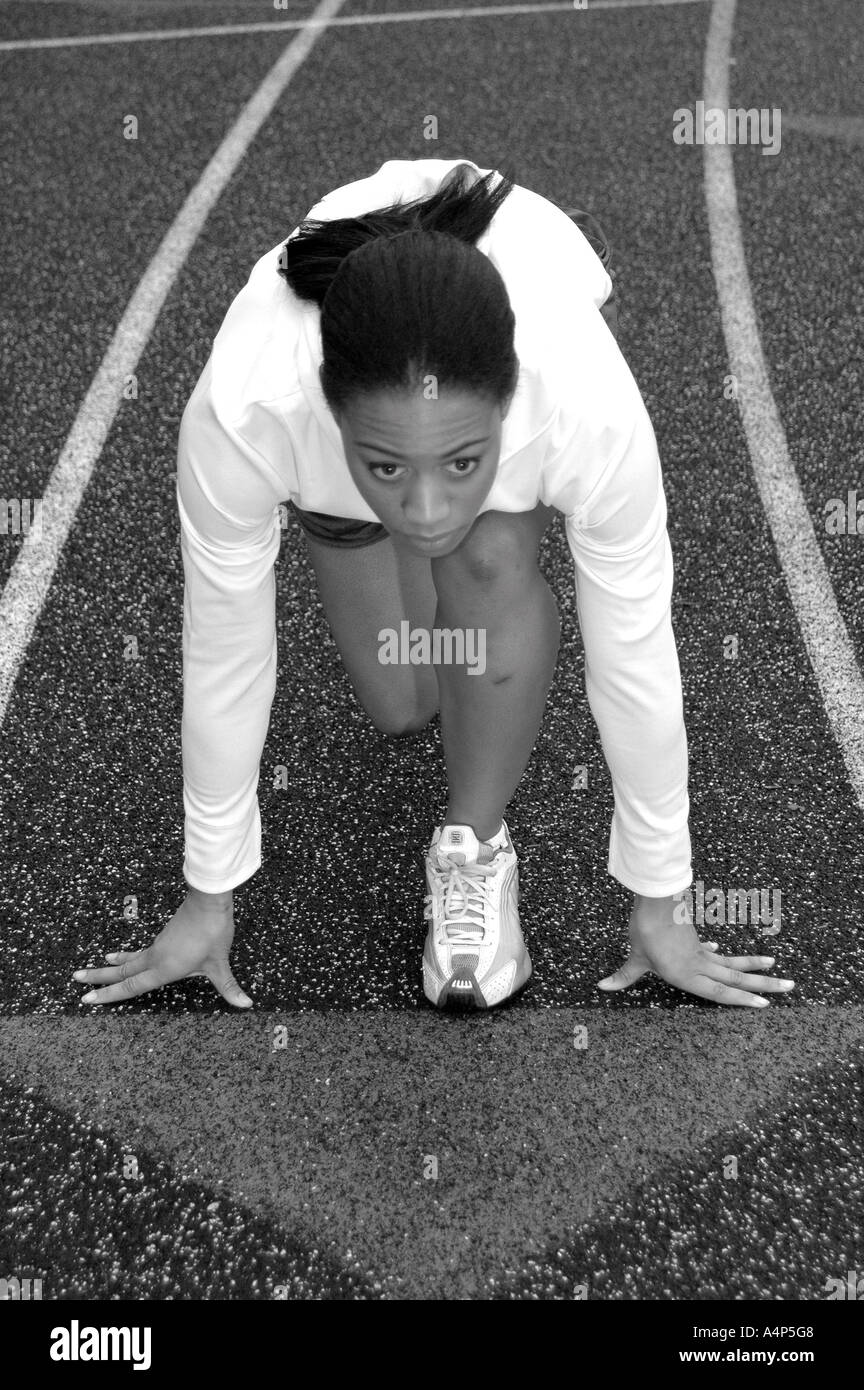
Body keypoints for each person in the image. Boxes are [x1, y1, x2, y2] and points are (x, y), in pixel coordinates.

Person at [74, 157, 794, 1011]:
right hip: (333, 453)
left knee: (483, 554)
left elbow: (633, 650)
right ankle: (408, 488)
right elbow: (227, 650)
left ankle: (476, 844)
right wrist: (206, 897)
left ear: (507, 405)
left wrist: (662, 902)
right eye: (385, 465)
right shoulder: (248, 412)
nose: (421, 510)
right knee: (406, 700)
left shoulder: (581, 407)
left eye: (463, 460)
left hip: (504, 371)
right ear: (331, 412)